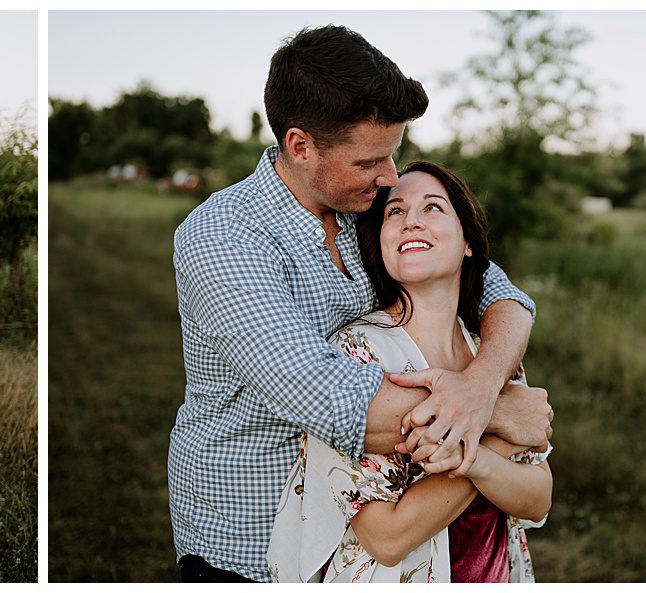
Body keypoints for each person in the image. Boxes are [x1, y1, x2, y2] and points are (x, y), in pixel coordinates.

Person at [169, 25, 552, 582]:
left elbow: (499, 291)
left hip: (367, 547)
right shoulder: (225, 239)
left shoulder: (367, 207)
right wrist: (499, 414)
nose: (390, 177)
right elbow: (334, 403)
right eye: (372, 160)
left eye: (393, 155)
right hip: (252, 540)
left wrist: (483, 380)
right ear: (300, 146)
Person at [267, 161, 552, 582]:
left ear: (468, 242)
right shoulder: (355, 353)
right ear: (380, 243)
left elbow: (538, 499)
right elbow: (387, 537)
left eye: (433, 208)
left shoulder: (491, 353)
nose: (411, 221)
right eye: (394, 212)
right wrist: (494, 438)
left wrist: (474, 458)